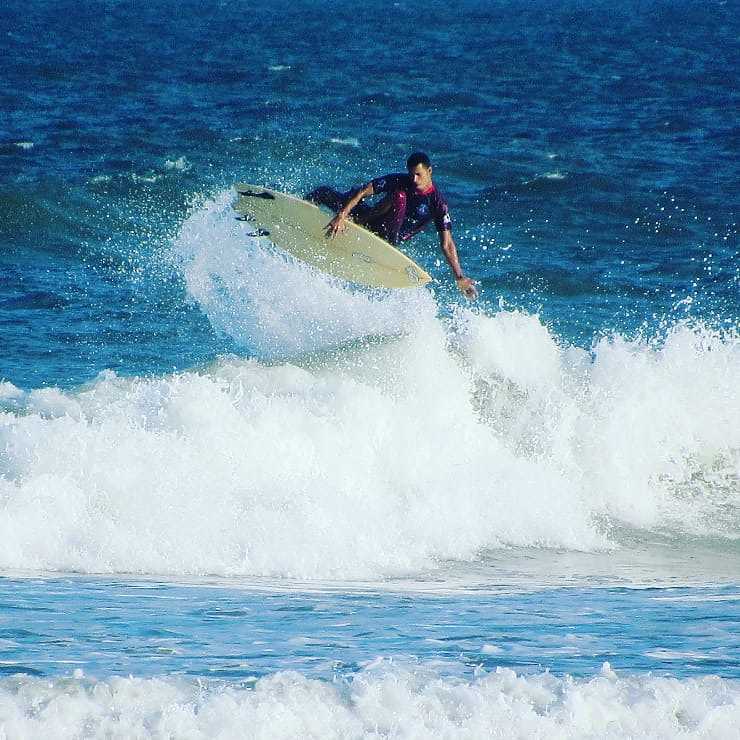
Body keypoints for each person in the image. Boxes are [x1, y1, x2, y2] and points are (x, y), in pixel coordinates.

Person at [306, 152, 478, 299]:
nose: (414, 179)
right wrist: (342, 215)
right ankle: (296, 208)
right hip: (373, 219)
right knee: (324, 192)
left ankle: (359, 223)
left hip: (391, 235)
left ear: (429, 171)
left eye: (419, 174)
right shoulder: (400, 180)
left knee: (399, 197)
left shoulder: (438, 203)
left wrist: (459, 276)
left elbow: (447, 243)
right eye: (411, 174)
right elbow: (365, 190)